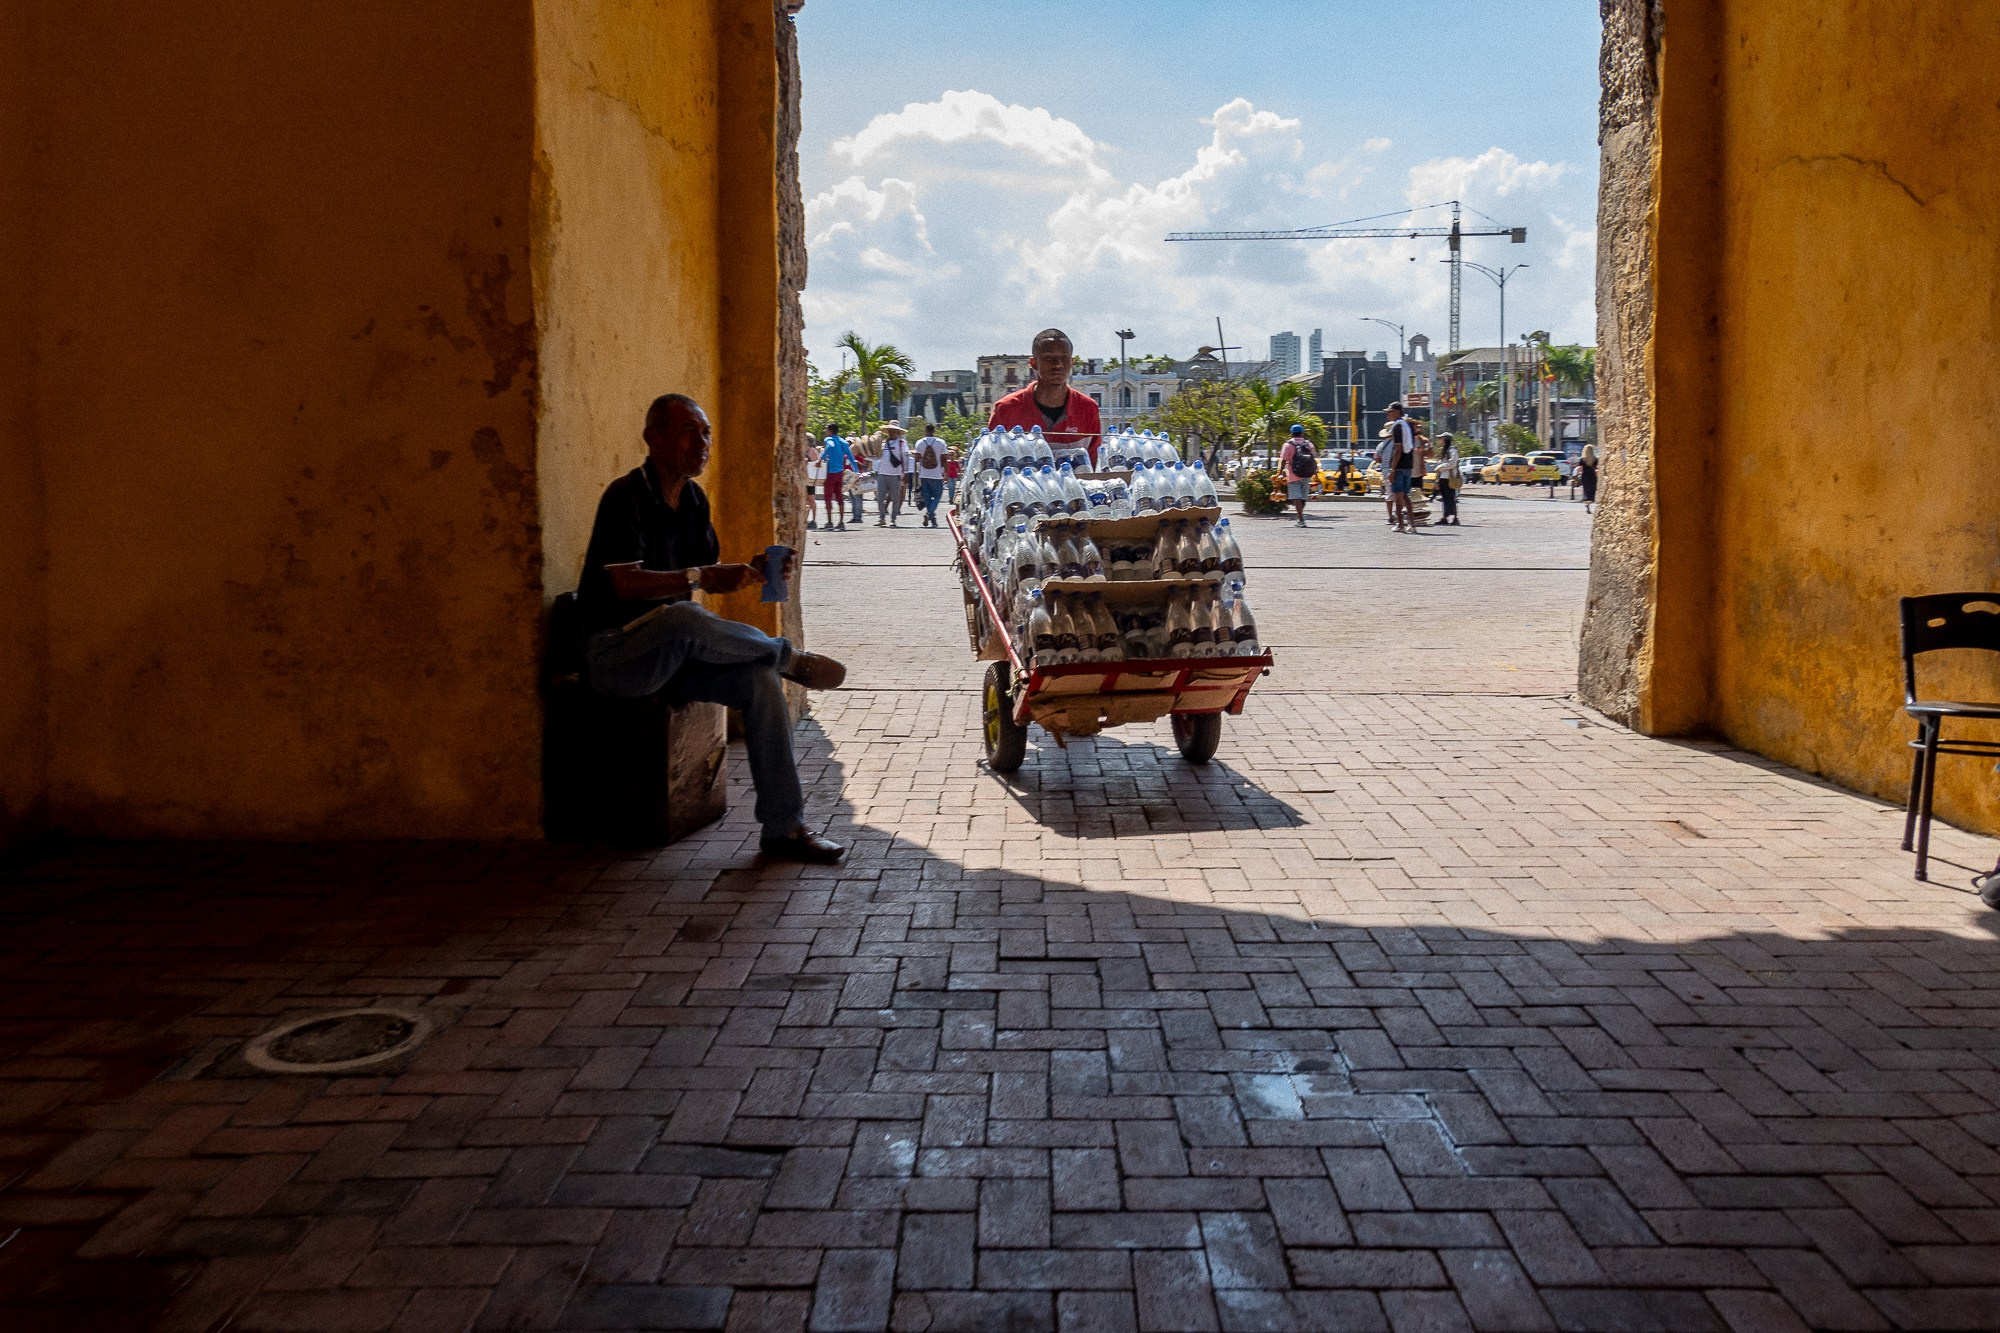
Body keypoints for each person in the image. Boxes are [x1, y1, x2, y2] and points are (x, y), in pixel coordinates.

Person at [578, 393, 848, 863]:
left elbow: (704, 576)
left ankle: (784, 828)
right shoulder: (626, 496)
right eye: (688, 432)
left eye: (706, 434)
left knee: (760, 682)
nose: (702, 443)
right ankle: (788, 657)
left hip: (676, 654)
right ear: (652, 438)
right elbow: (624, 584)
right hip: (617, 656)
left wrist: (750, 570)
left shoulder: (693, 499)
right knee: (685, 617)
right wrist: (700, 578)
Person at [985, 328, 1103, 464]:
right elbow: (989, 465)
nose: (1057, 364)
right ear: (1033, 363)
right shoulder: (1005, 409)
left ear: (1071, 362)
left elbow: (1095, 467)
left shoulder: (1088, 408)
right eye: (1049, 358)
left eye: (1063, 358)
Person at [1378, 402, 1424, 533]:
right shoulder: (1407, 425)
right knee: (1404, 495)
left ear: (1397, 412)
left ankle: (1400, 523)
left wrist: (1393, 469)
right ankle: (1412, 523)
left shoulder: (1397, 426)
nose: (1388, 415)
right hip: (1408, 465)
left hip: (1399, 466)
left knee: (1398, 495)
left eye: (1390, 412)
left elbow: (1398, 448)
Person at [1278, 424, 1317, 527]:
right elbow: (1313, 459)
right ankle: (1300, 516)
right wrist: (1315, 472)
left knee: (1296, 497)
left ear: (1291, 433)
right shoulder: (1309, 444)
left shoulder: (1288, 445)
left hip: (1293, 474)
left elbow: (1283, 460)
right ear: (1302, 433)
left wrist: (1280, 472)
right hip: (1307, 474)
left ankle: (1300, 519)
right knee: (1303, 497)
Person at [874, 421, 910, 527]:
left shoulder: (902, 443)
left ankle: (893, 519)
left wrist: (906, 472)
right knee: (880, 497)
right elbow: (878, 457)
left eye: (893, 431)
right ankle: (881, 518)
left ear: (898, 432)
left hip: (895, 474)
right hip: (882, 473)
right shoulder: (884, 443)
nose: (891, 433)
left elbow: (905, 457)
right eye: (890, 430)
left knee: (895, 497)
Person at [913, 422, 948, 527]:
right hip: (936, 474)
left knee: (927, 496)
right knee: (937, 495)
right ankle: (930, 513)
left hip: (924, 474)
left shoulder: (919, 443)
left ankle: (931, 517)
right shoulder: (941, 442)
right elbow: (944, 459)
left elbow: (917, 459)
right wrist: (945, 472)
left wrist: (916, 474)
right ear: (934, 431)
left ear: (925, 430)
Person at [819, 429, 855, 531]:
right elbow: (850, 456)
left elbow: (830, 446)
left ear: (830, 431)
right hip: (840, 472)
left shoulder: (829, 439)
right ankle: (841, 522)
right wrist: (856, 469)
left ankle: (830, 522)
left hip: (831, 472)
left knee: (828, 497)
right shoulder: (843, 442)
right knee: (840, 497)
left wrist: (820, 459)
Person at [1433, 433, 1463, 526]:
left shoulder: (1452, 450)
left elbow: (1453, 463)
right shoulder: (1444, 450)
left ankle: (1454, 518)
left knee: (1451, 498)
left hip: (1450, 478)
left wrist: (1441, 466)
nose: (1439, 441)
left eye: (1441, 439)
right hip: (1443, 477)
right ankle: (1445, 517)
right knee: (1445, 499)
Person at [804, 433, 824, 530]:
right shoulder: (802, 449)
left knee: (811, 499)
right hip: (803, 478)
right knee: (805, 500)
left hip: (810, 478)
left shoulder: (811, 451)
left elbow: (815, 461)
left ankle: (813, 520)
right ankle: (805, 520)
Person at [1577, 442, 1599, 513]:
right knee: (1591, 490)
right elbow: (1597, 469)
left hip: (1585, 476)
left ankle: (1587, 504)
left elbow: (1580, 469)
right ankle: (1589, 502)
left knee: (1586, 489)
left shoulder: (1582, 459)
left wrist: (1578, 474)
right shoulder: (1595, 459)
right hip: (1592, 476)